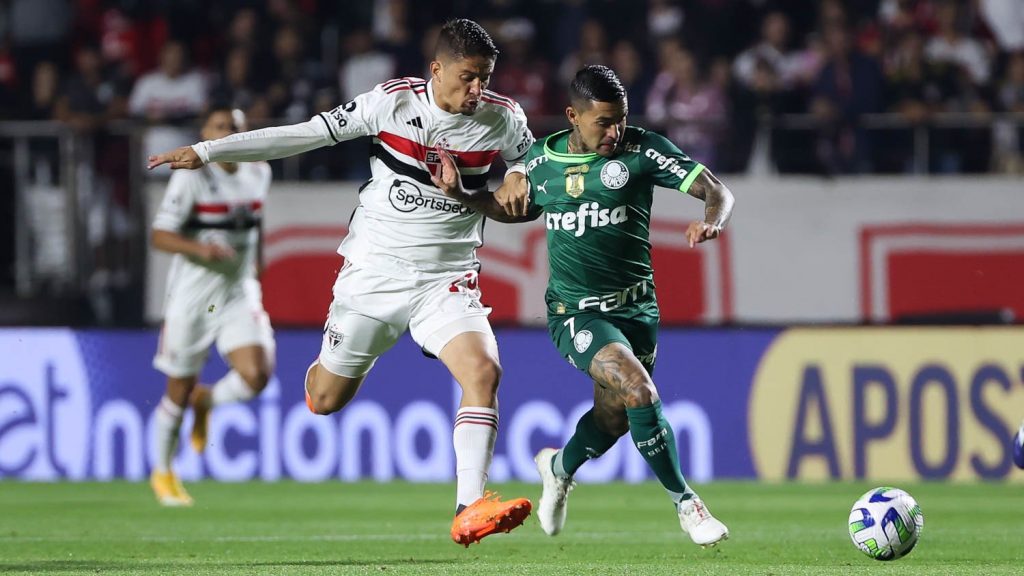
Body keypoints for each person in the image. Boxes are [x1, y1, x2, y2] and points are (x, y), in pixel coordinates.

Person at [147, 19, 534, 546]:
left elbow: (530, 170)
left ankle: (469, 507)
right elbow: (304, 135)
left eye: (485, 78)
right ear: (436, 69)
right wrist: (212, 150)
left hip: (446, 279)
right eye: (468, 77)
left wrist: (520, 175)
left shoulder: (503, 118)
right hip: (372, 278)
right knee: (325, 400)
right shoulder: (390, 104)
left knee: (484, 372)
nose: (477, 90)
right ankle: (318, 369)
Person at [432, 65, 734, 547]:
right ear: (573, 116)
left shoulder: (644, 150)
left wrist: (712, 220)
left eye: (620, 120)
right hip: (576, 314)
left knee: (615, 418)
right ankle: (687, 504)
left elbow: (716, 190)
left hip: (637, 311)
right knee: (639, 390)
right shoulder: (539, 162)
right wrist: (463, 194)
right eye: (603, 122)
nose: (614, 132)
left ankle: (558, 467)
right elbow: (510, 209)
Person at [149, 106, 275, 506]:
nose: (227, 134)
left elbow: (256, 223)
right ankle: (164, 472)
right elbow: (161, 236)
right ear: (205, 133)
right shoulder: (193, 178)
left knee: (257, 375)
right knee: (178, 391)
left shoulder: (259, 171)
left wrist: (257, 260)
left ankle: (210, 401)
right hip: (194, 295)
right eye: (219, 127)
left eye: (234, 128)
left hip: (238, 289)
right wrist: (202, 250)